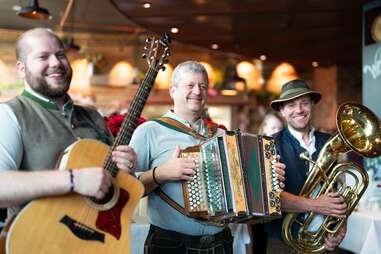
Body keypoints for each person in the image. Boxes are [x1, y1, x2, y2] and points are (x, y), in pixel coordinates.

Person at [129, 60, 286, 254]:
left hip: (219, 243)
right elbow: (127, 191)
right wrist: (161, 173)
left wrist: (268, 179)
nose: (197, 91)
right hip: (170, 245)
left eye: (203, 86)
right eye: (190, 85)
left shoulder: (221, 136)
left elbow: (243, 189)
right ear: (172, 90)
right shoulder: (148, 131)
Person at [0, 28, 137, 221]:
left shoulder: (93, 115)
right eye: (43, 57)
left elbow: (114, 187)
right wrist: (73, 180)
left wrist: (126, 170)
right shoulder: (9, 114)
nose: (56, 63)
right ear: (22, 69)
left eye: (60, 55)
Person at [262, 79, 347, 253]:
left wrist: (340, 228)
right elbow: (269, 199)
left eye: (304, 103)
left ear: (312, 106)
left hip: (324, 241)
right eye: (291, 105)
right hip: (283, 244)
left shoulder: (329, 142)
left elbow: (340, 193)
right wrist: (315, 205)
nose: (299, 110)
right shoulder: (269, 145)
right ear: (282, 111)